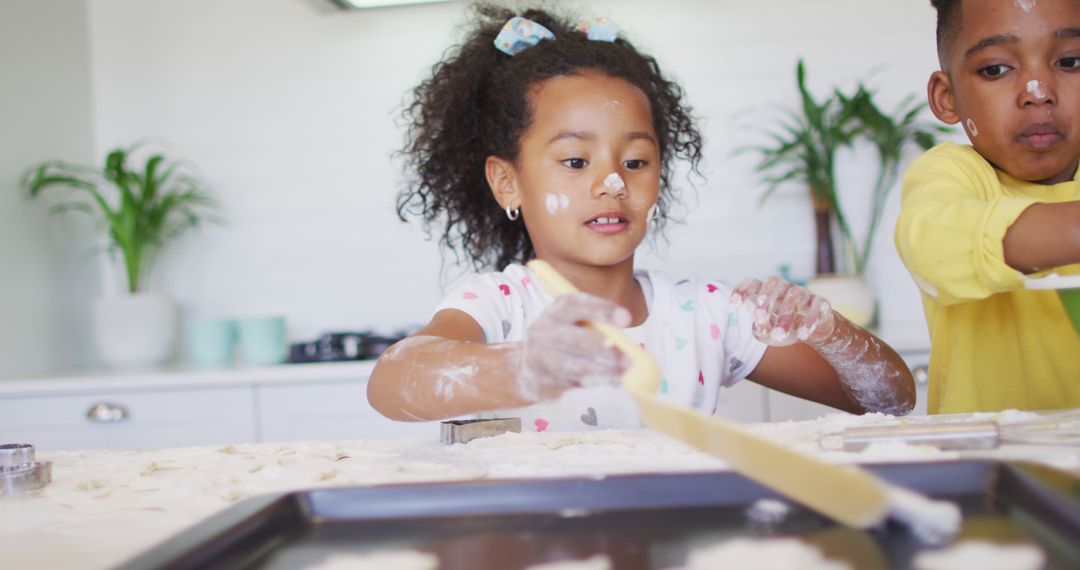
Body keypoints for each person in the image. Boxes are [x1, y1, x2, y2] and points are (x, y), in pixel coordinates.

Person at [369, 4, 915, 430]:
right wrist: (522, 366)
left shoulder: (704, 314)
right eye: (576, 161)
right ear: (506, 181)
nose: (612, 184)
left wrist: (829, 330)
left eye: (635, 161)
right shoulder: (499, 308)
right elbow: (393, 382)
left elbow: (890, 398)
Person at [895, 0, 1080, 414]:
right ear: (948, 98)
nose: (1039, 93)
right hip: (989, 467)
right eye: (995, 69)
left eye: (1070, 61)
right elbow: (933, 243)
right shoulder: (953, 176)